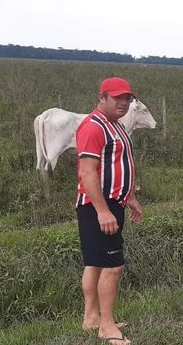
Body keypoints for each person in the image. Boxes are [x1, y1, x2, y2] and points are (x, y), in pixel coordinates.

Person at [75, 77, 144, 344]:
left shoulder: (114, 125)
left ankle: (91, 318)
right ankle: (106, 326)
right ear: (101, 98)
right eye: (117, 98)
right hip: (98, 206)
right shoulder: (93, 127)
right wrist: (104, 211)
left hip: (112, 202)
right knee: (113, 267)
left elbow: (118, 165)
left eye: (127, 98)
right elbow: (87, 172)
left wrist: (130, 197)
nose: (124, 103)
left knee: (95, 263)